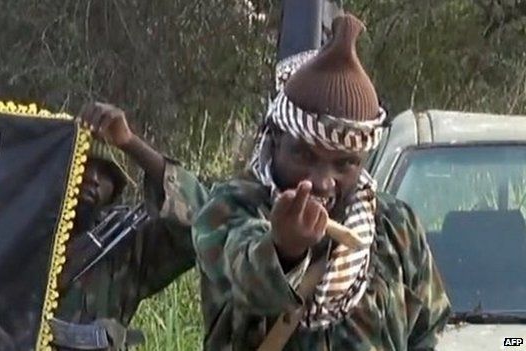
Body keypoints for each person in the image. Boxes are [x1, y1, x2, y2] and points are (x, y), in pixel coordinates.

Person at [192, 14, 451, 350]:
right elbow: (244, 279)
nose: (322, 182)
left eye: (345, 163)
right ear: (275, 141)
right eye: (305, 156)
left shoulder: (394, 226)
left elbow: (426, 329)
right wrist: (284, 250)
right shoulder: (230, 208)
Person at [53, 103, 209, 350]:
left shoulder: (126, 247)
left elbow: (202, 223)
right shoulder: (24, 233)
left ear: (114, 189)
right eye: (83, 164)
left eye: (104, 174)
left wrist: (129, 142)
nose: (93, 178)